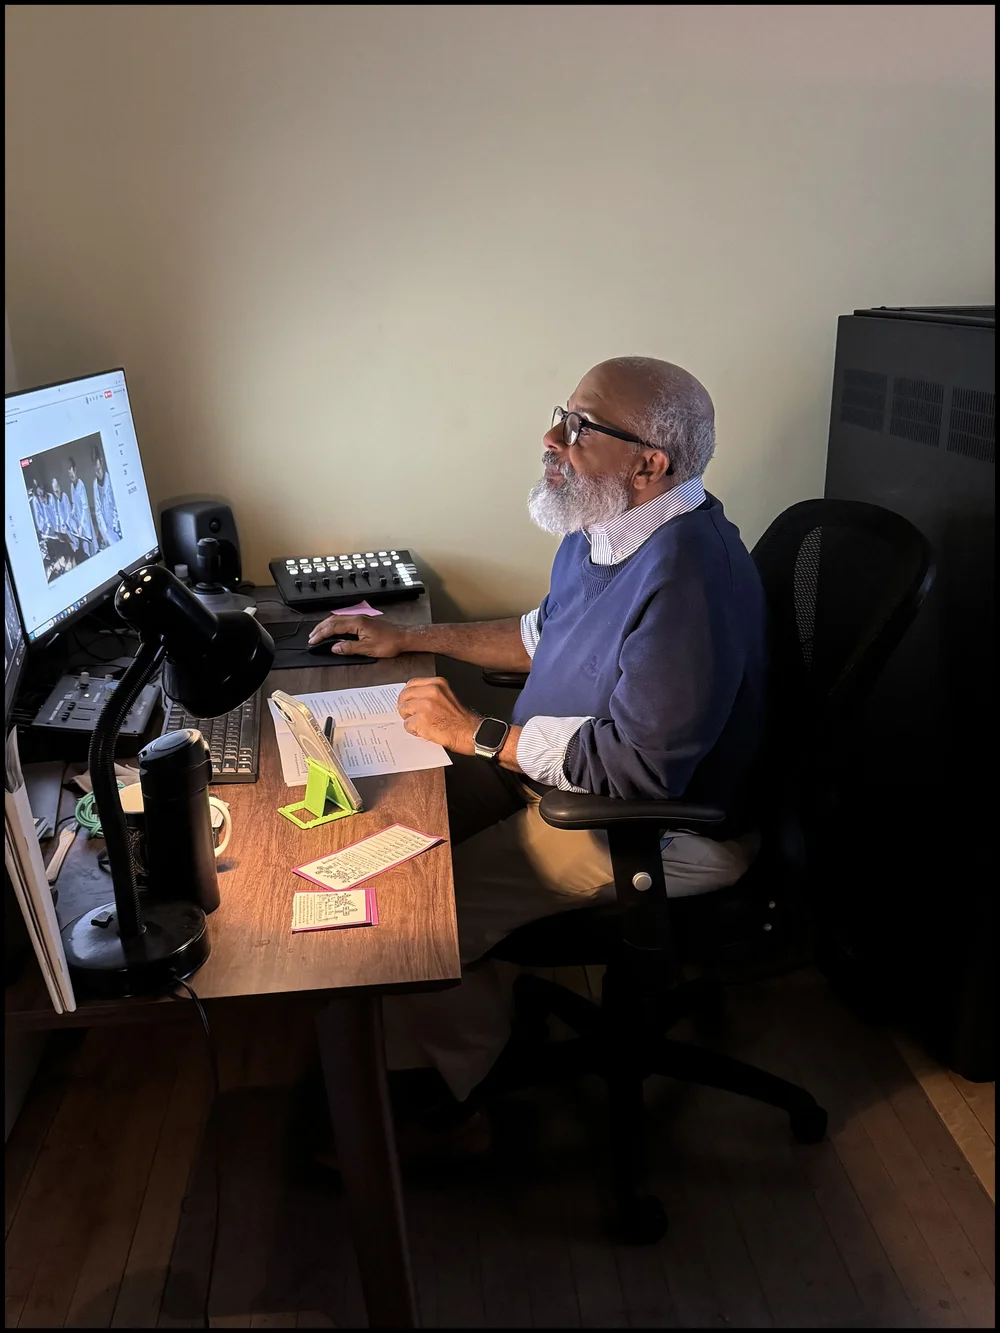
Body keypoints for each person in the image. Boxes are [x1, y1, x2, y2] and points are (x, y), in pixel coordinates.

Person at [309, 356, 768, 1132]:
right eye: (564, 414)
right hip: (560, 776)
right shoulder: (603, 527)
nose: (553, 437)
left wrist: (478, 733)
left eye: (581, 427)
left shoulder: (691, 578)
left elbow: (639, 769)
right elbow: (542, 634)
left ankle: (473, 1090)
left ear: (650, 465)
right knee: (390, 811)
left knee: (420, 917)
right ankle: (479, 1022)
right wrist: (409, 638)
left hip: (652, 823)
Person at [91, 446, 121, 548]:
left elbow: (116, 506)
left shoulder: (111, 479)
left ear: (102, 462)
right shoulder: (95, 484)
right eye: (95, 471)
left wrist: (114, 526)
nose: (98, 473)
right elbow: (98, 510)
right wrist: (104, 531)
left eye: (99, 469)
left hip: (115, 527)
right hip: (106, 530)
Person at [67, 456, 96, 558]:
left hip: (85, 520)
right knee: (81, 545)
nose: (71, 477)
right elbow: (74, 504)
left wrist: (82, 524)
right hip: (78, 520)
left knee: (88, 545)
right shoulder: (72, 486)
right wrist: (71, 514)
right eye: (70, 476)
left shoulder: (80, 484)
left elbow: (85, 507)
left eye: (72, 475)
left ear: (75, 471)